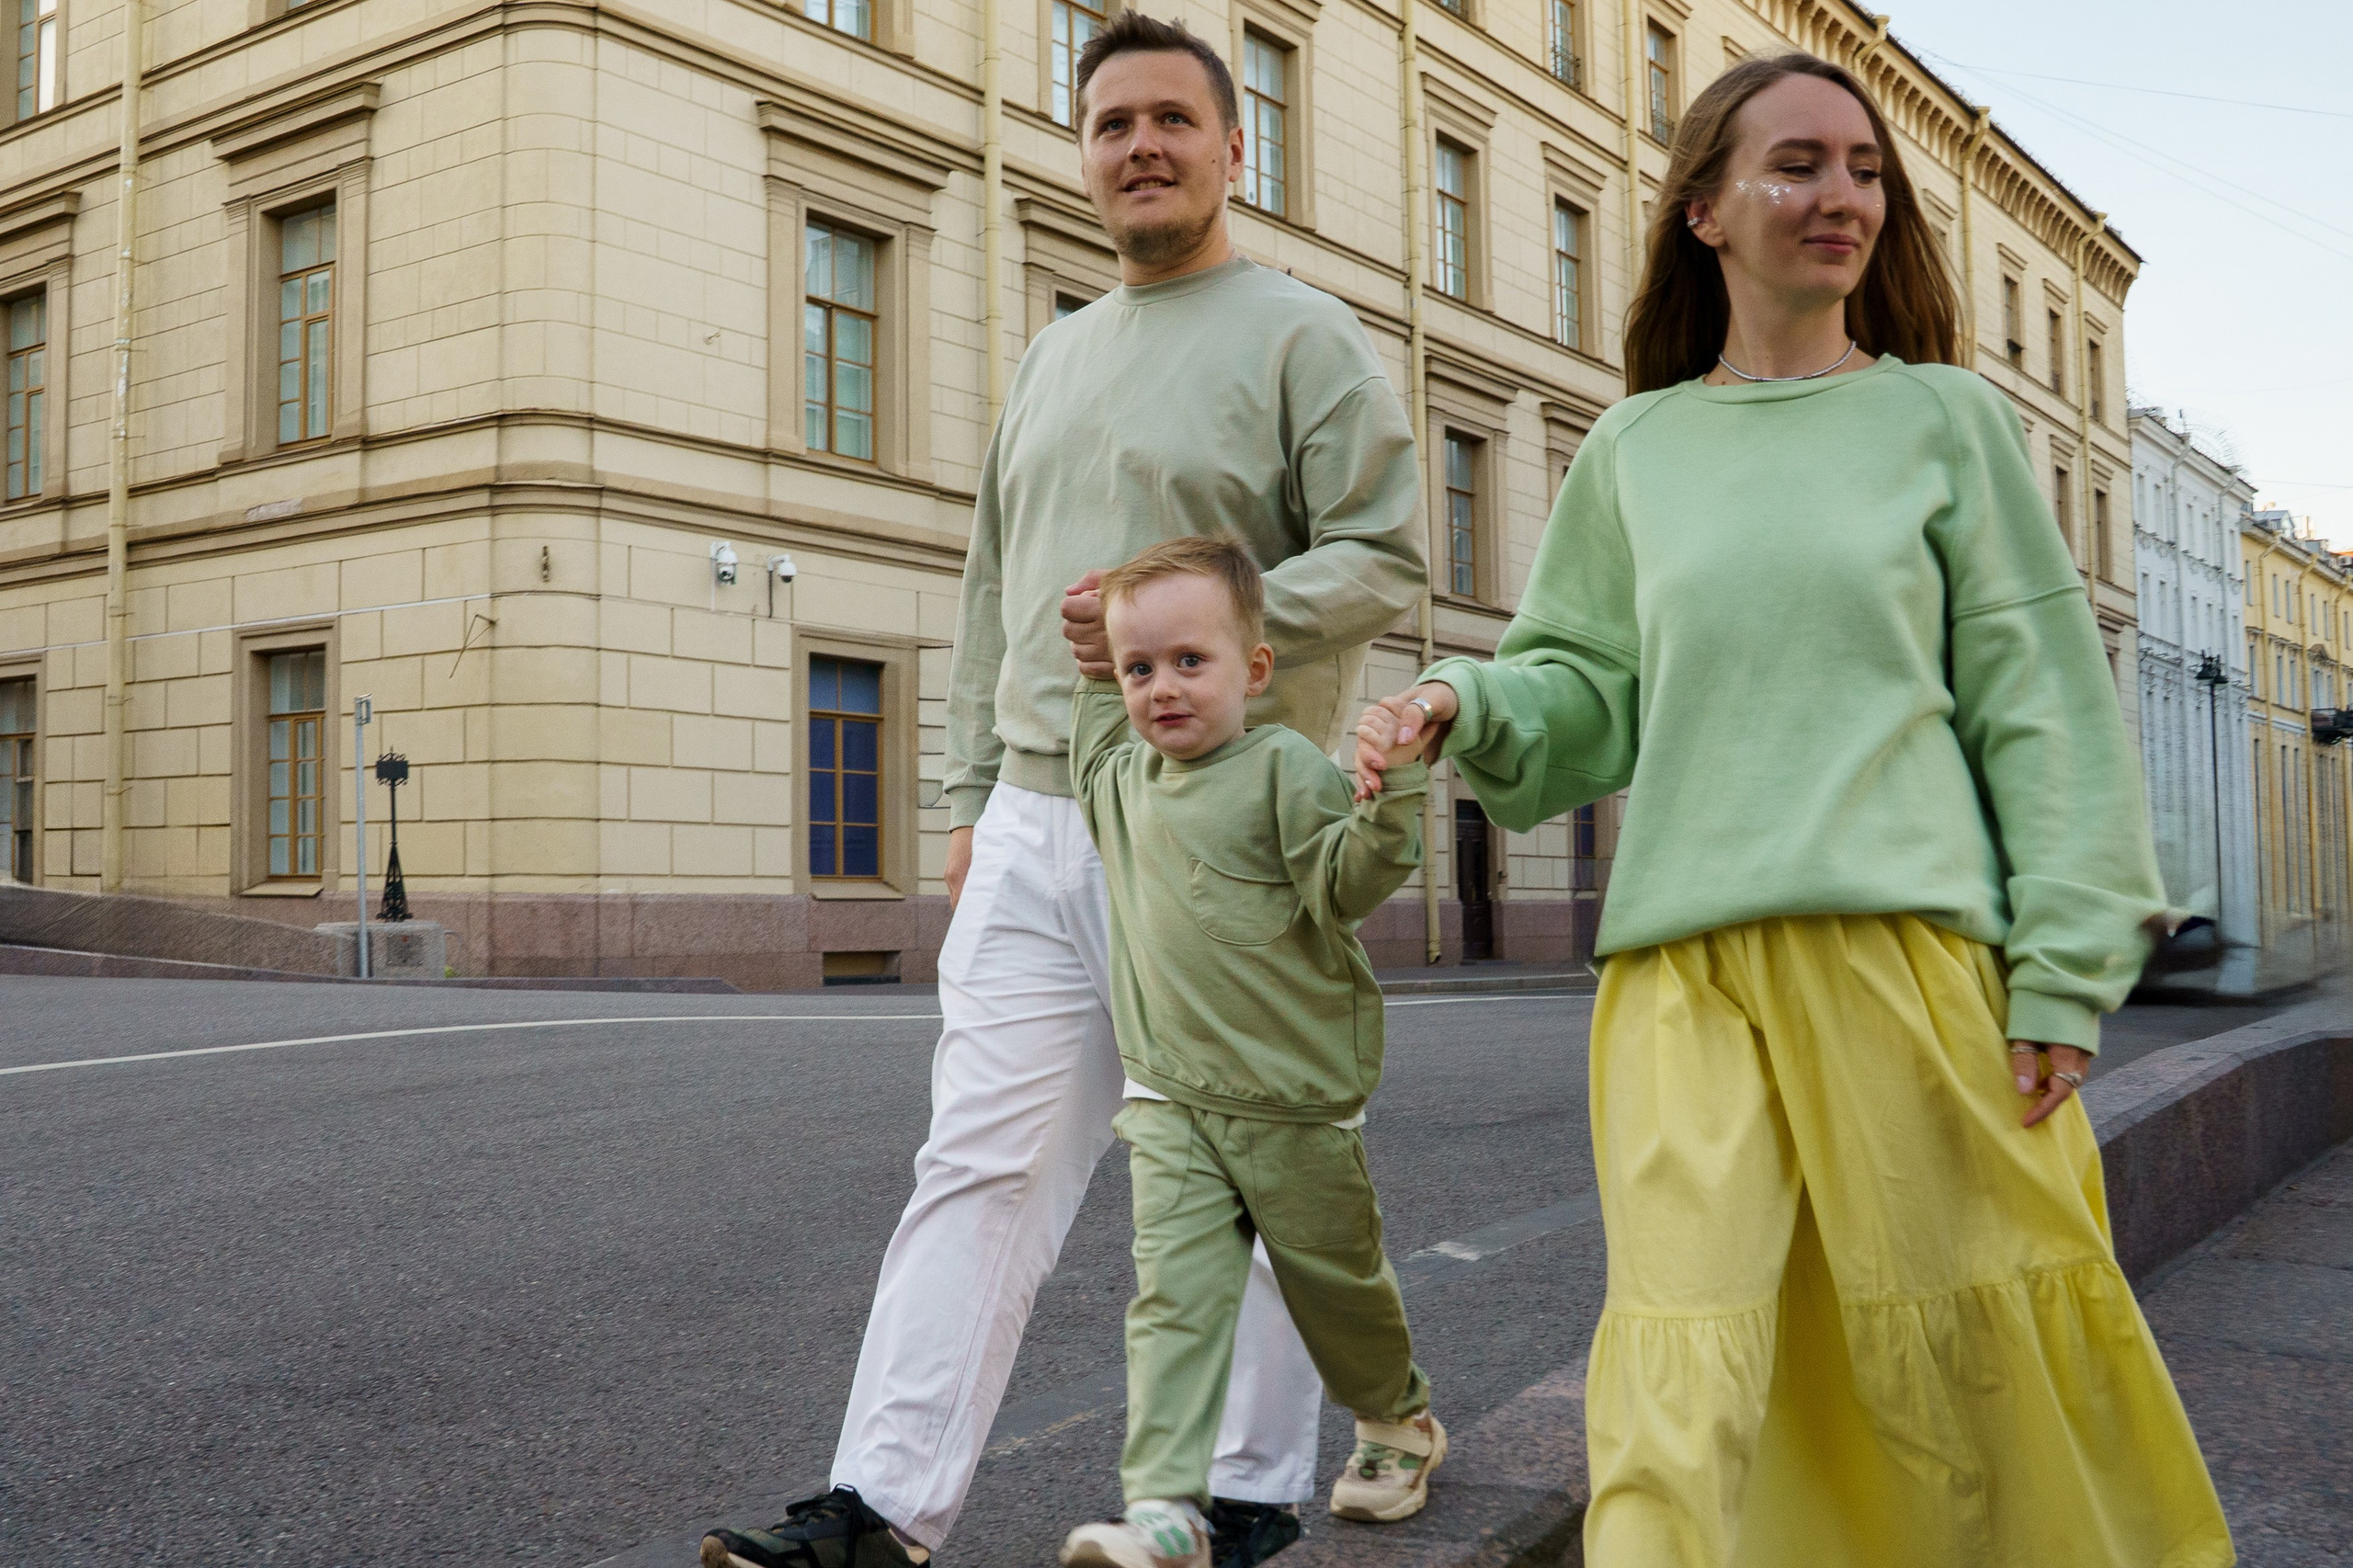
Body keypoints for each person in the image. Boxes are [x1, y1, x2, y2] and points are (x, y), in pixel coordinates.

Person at [1354, 52, 2233, 1568]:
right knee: (1673, 1387)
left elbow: (2041, 707)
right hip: (1680, 981)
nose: (1842, 197)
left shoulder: (1944, 422)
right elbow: (1582, 696)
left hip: (1906, 962)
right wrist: (1465, 704)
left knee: (1965, 1383)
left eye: (1865, 169)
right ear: (1703, 207)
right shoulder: (1636, 448)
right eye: (1798, 165)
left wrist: (2069, 962)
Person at [699, 14, 1426, 1568]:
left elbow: (1382, 563)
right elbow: (989, 595)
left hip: (1228, 827)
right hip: (1035, 817)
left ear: (1237, 149)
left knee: (1247, 1158)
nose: (1141, 146)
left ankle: (1242, 1495)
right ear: (1080, 154)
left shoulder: (1306, 335)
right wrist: (970, 796)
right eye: (1110, 124)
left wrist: (1200, 626)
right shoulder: (1051, 356)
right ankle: (880, 1509)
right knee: (979, 1160)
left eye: (1173, 118)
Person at [1057, 537, 1443, 1568]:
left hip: (1296, 1100)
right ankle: (1165, 1507)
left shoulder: (1281, 768)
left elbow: (1345, 885)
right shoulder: (1118, 779)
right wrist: (1097, 651)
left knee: (1335, 1287)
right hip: (1173, 1100)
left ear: (1254, 670)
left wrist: (1394, 793)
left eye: (1191, 660)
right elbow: (1090, 727)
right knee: (1173, 1302)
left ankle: (1397, 1418)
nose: (1161, 687)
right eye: (1141, 669)